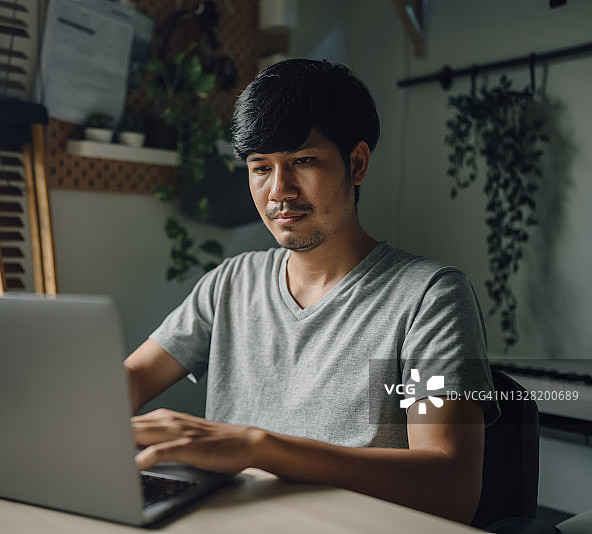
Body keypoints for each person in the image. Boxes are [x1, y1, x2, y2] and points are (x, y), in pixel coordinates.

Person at [125, 59, 499, 525]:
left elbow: (452, 486)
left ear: (356, 163)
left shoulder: (429, 299)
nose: (279, 191)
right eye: (261, 167)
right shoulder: (230, 283)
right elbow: (132, 380)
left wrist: (257, 447)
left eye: (302, 161)